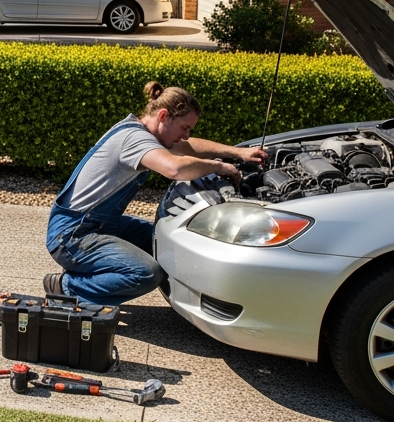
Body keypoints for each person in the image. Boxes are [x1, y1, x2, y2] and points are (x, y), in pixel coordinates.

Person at [44, 82, 268, 306]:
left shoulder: (143, 132)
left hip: (100, 224)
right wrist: (218, 167)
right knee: (146, 273)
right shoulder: (134, 139)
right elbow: (175, 169)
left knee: (164, 242)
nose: (186, 136)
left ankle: (96, 272)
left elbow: (189, 148)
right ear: (163, 116)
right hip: (73, 234)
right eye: (184, 128)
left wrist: (238, 152)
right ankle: (66, 286)